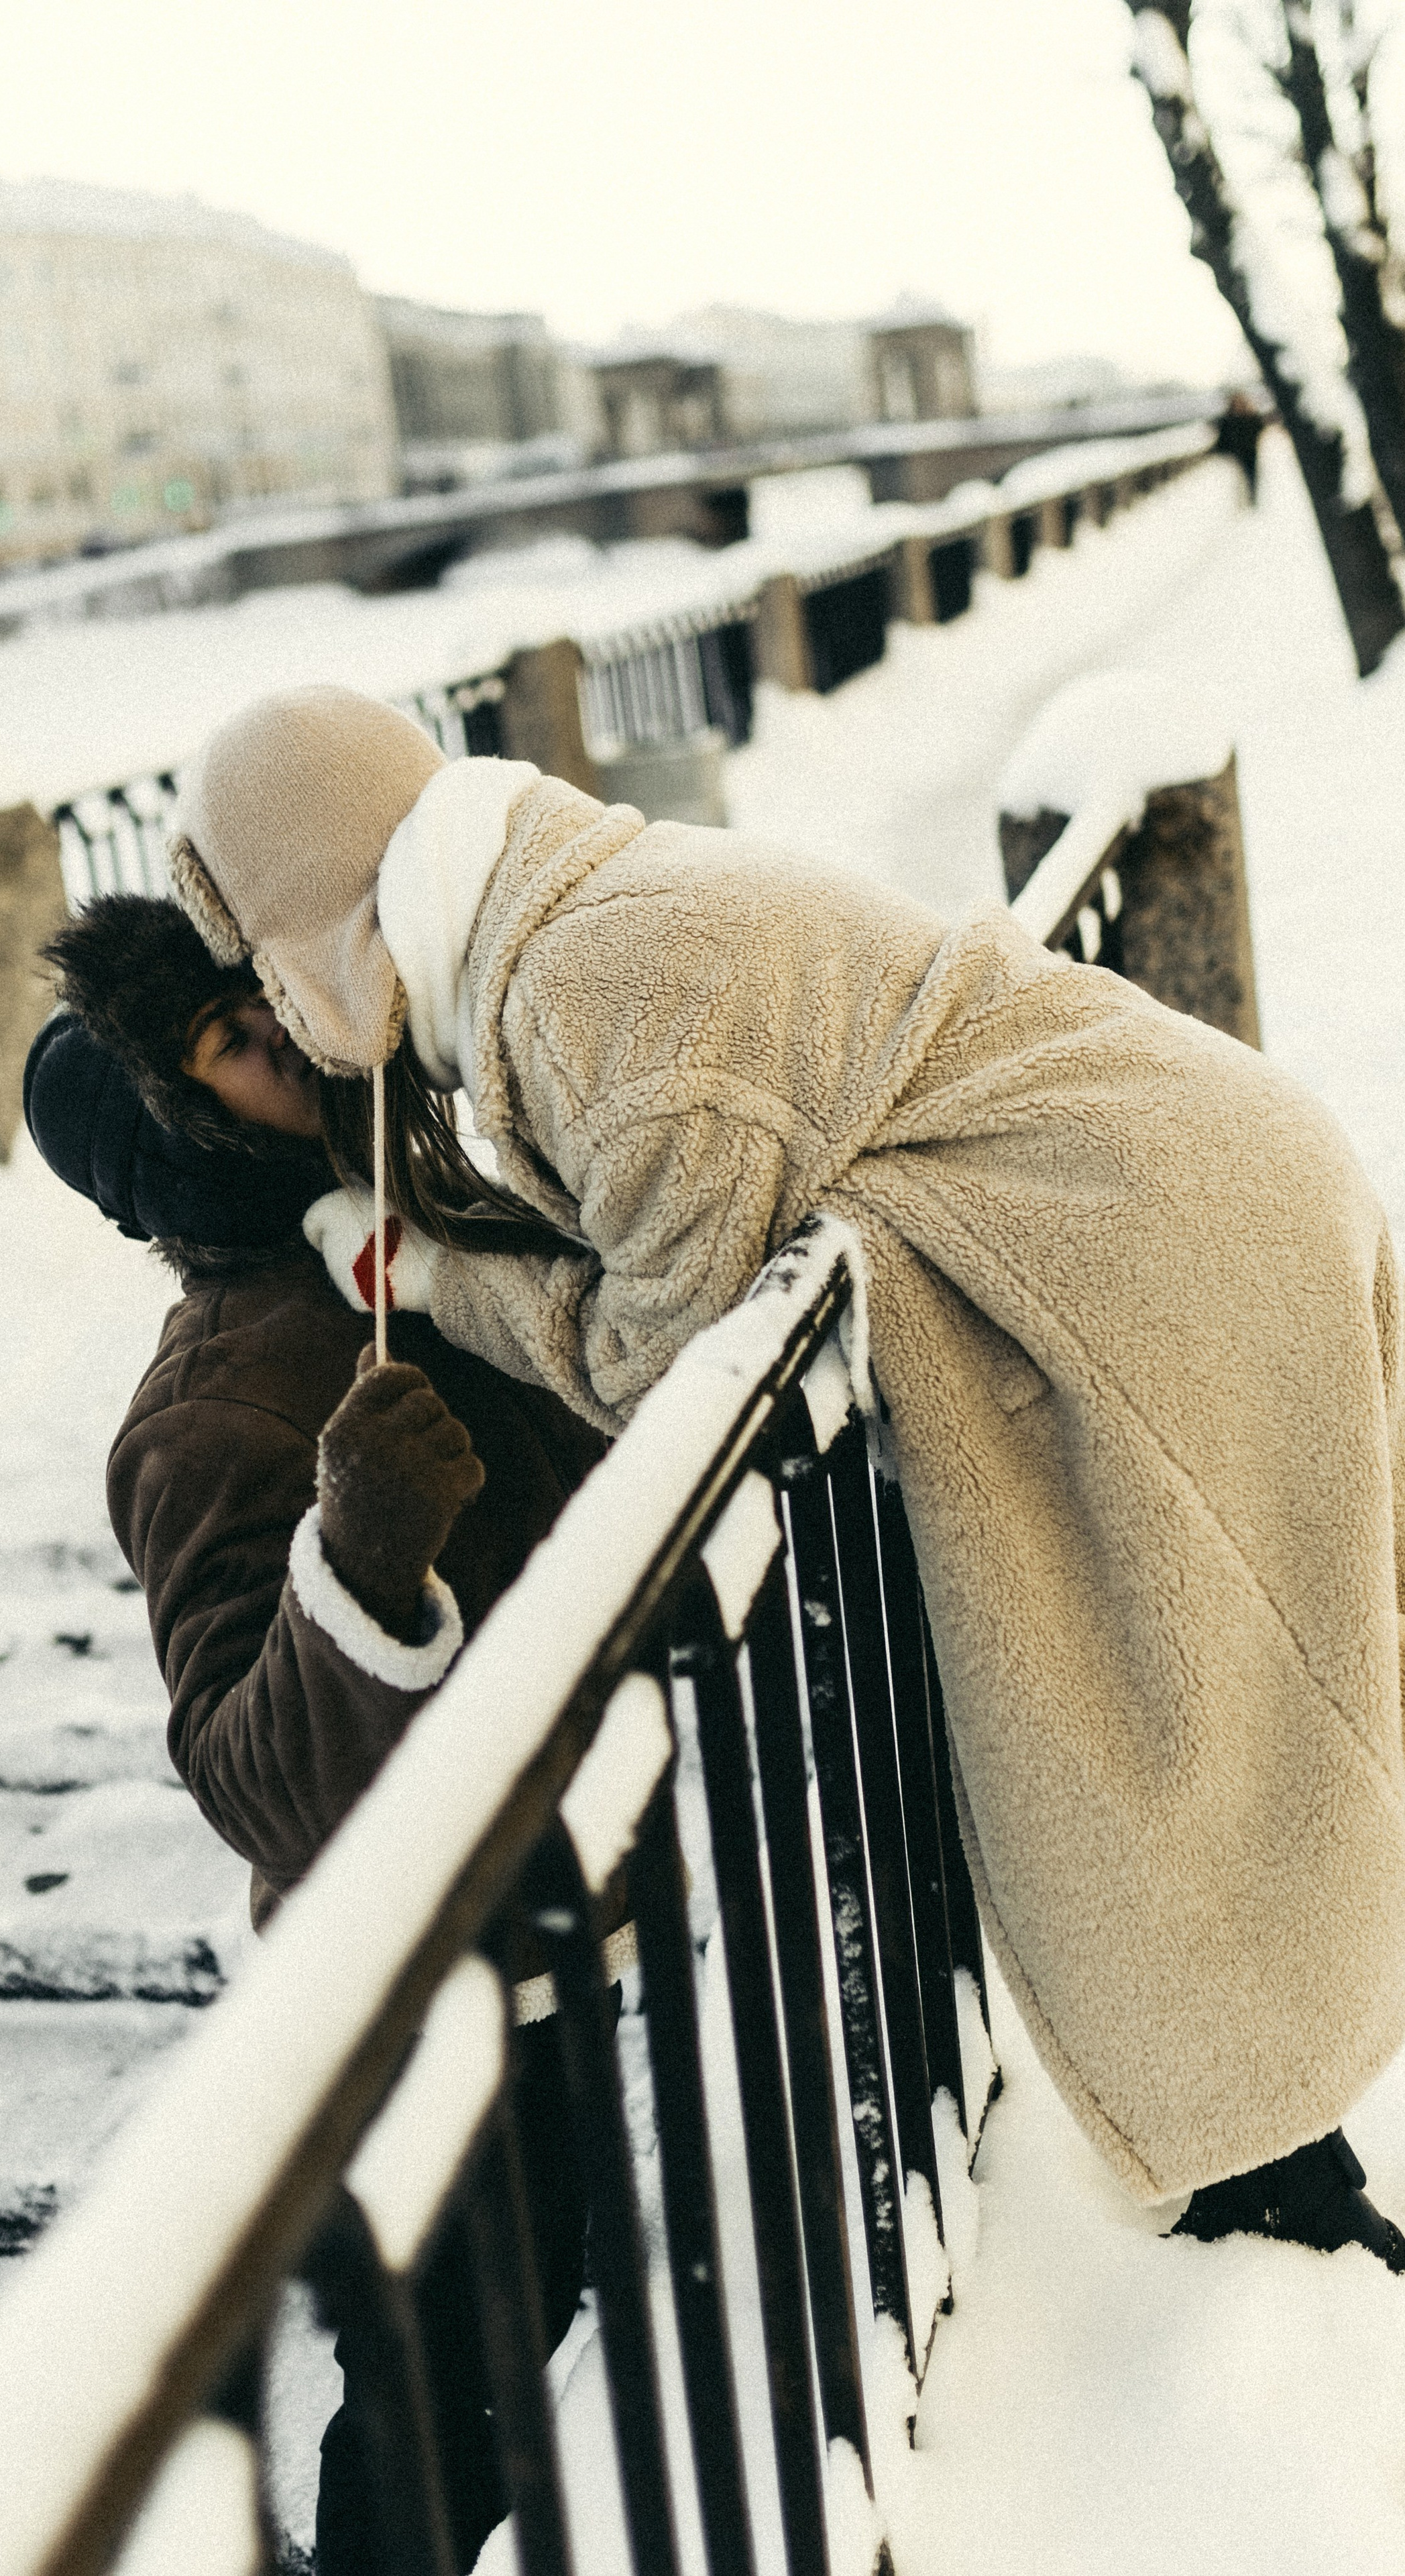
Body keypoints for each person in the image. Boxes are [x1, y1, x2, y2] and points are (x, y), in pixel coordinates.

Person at [159, 682, 1405, 2262]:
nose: (276, 1003)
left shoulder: (576, 995)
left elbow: (656, 1351)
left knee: (1203, 1729)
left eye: (268, 958)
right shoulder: (548, 912)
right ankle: (1272, 2171)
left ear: (323, 906)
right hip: (1173, 1192)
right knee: (1216, 1715)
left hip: (1156, 1242)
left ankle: (1275, 2187)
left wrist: (418, 1277)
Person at [23, 894, 628, 2574]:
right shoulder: (211, 1407)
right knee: (446, 2391)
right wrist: (356, 1561)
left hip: (557, 1902)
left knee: (560, 2308)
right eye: (226, 1046)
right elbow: (246, 1774)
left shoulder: (408, 1233)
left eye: (255, 1007)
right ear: (176, 1138)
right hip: (415, 1980)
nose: (278, 1044)